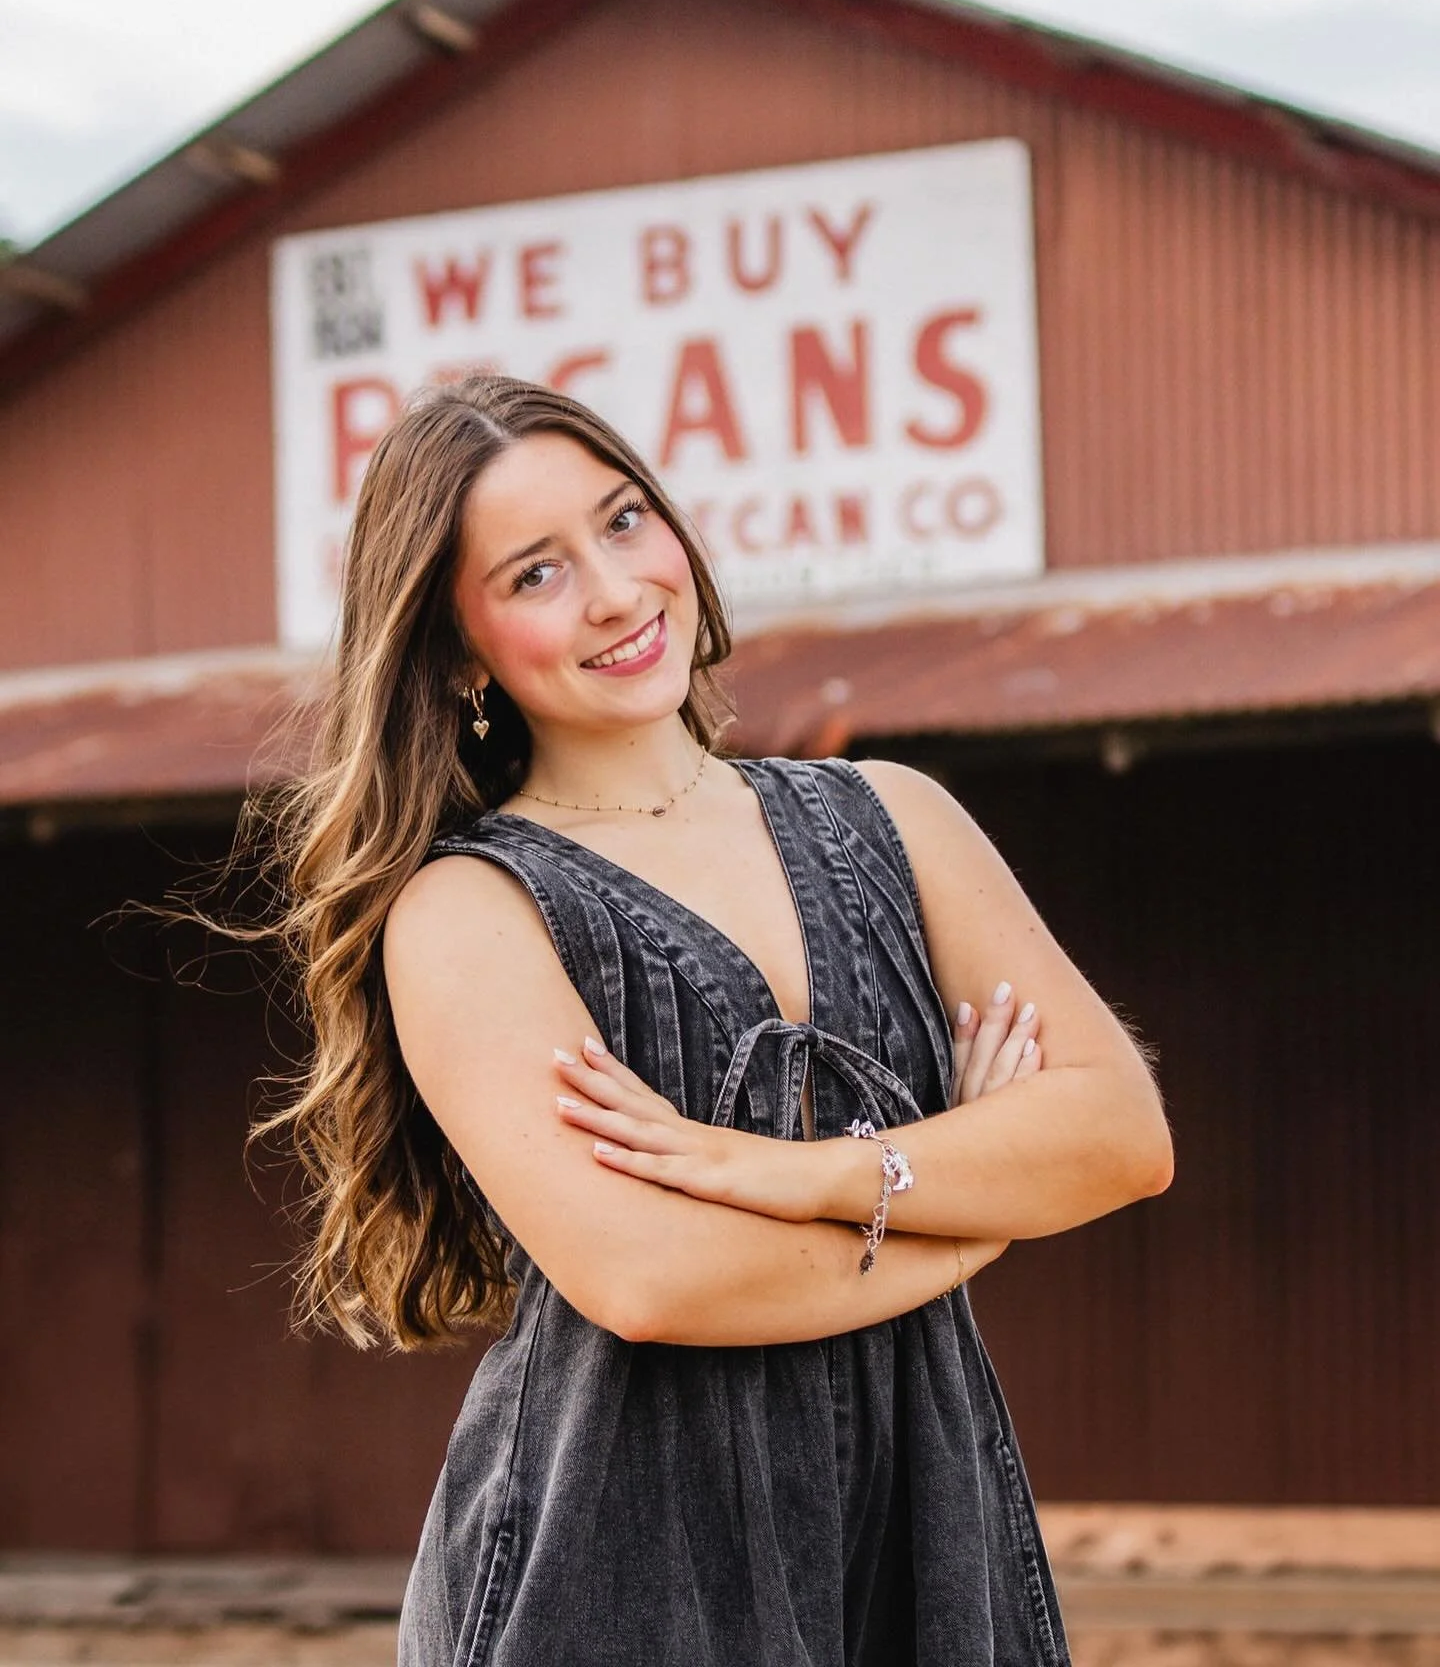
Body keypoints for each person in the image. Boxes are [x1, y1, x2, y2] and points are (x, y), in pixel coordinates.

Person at [259, 374, 1173, 1667]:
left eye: (625, 521)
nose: (617, 591)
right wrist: (981, 1209)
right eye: (534, 575)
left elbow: (1121, 1131)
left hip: (927, 1539)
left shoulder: (897, 823)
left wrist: (794, 1176)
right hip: (619, 1567)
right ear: (459, 647)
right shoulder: (468, 911)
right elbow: (650, 1278)